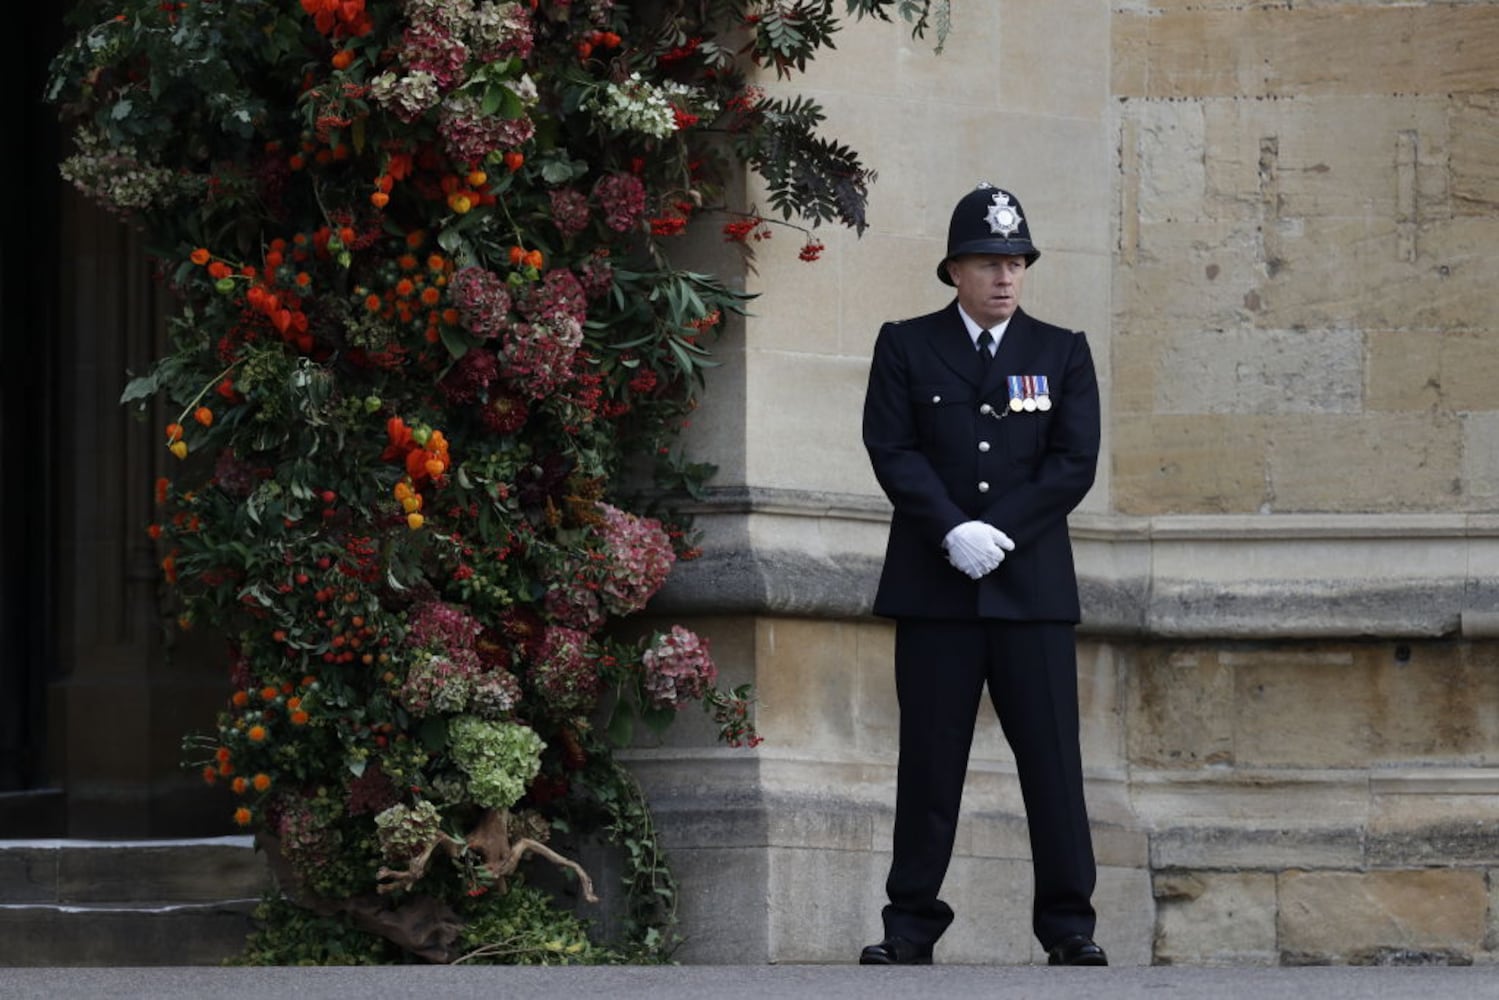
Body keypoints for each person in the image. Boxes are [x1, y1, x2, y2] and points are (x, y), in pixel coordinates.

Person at [858, 183, 1106, 967]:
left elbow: (1072, 464)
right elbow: (890, 447)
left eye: (1016, 262)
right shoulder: (905, 344)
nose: (1005, 276)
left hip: (1029, 591)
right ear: (954, 270)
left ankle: (1068, 926)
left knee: (1052, 766)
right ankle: (909, 926)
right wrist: (950, 528)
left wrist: (997, 532)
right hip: (936, 589)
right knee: (930, 763)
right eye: (989, 261)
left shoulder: (1061, 350)